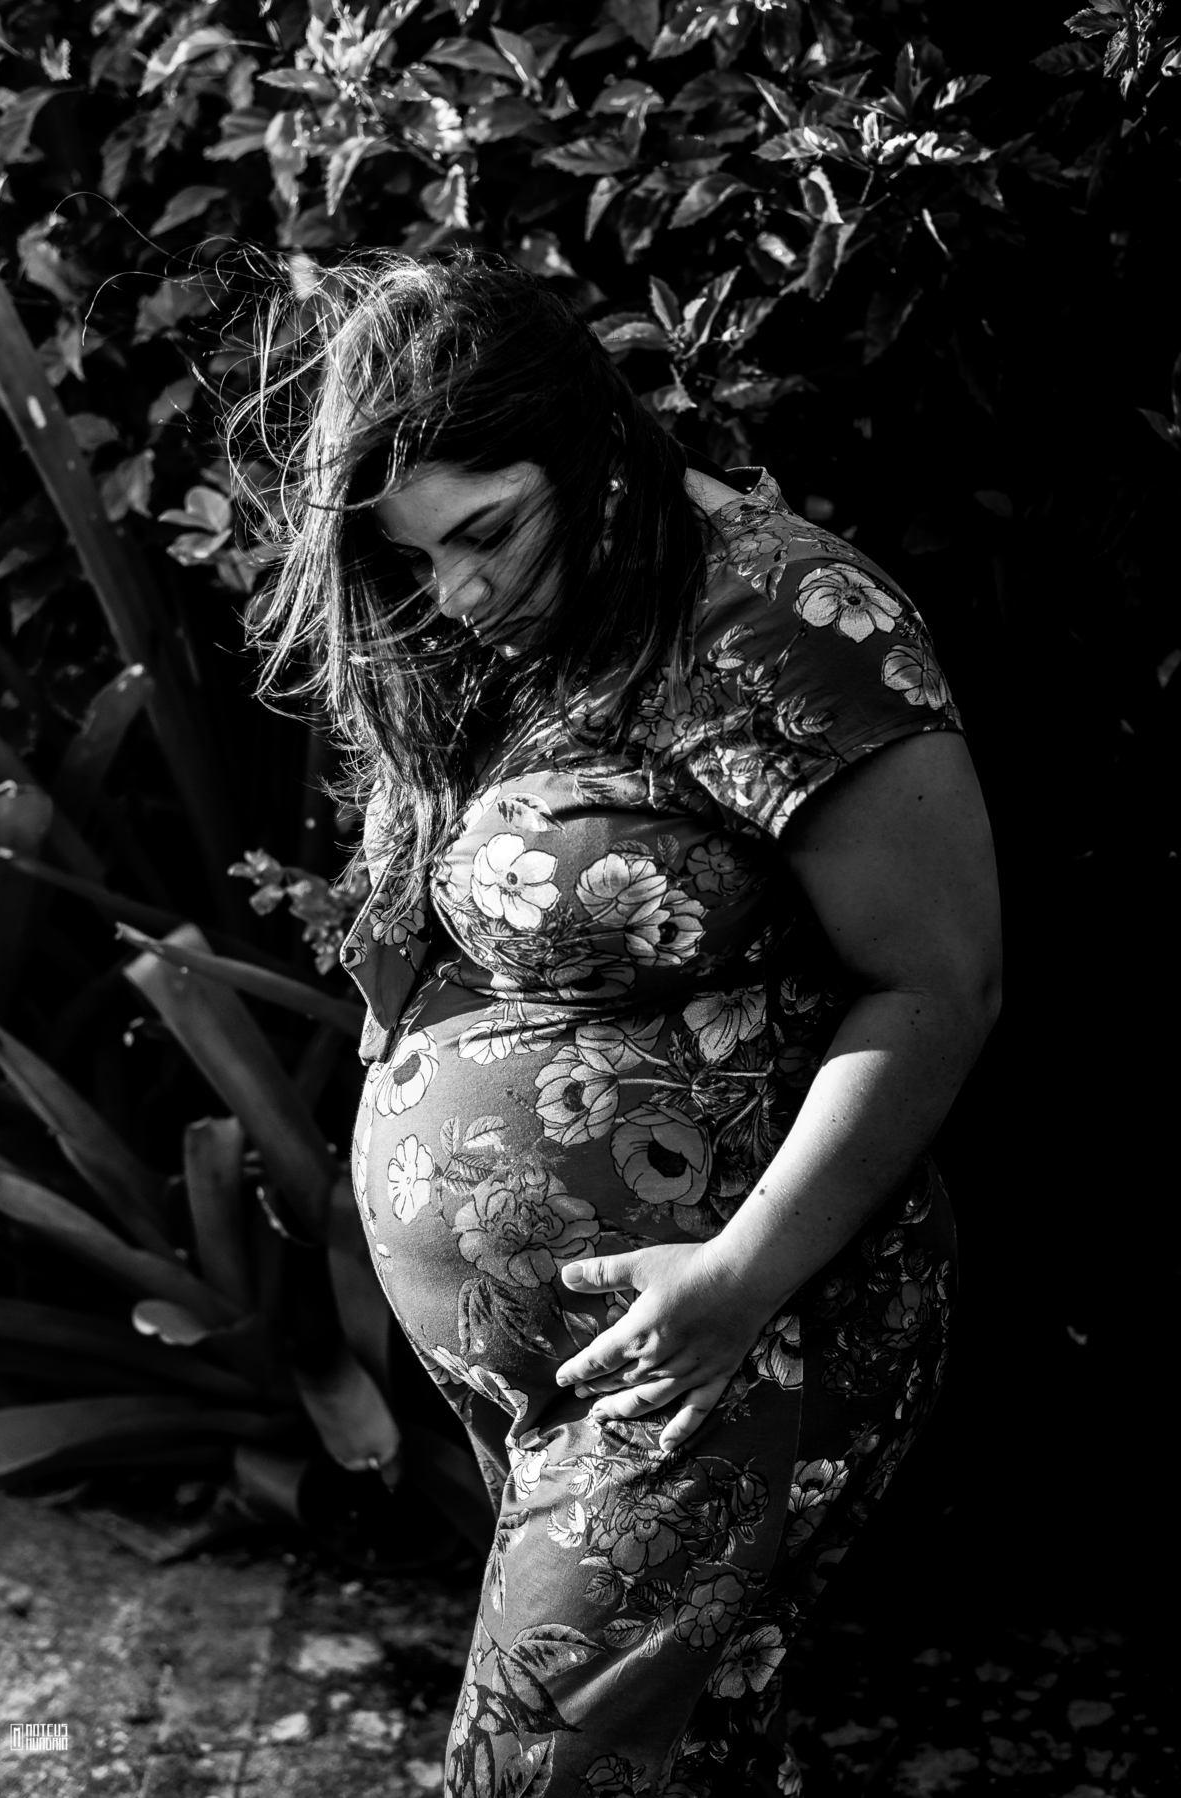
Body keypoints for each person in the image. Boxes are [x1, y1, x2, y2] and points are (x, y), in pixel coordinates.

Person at [242, 249, 1001, 1797]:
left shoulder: (785, 619)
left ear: (595, 443)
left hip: (727, 1339)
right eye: (415, 555)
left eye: (487, 530)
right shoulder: (520, 626)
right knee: (688, 1760)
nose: (457, 591)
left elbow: (941, 980)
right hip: (586, 1364)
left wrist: (742, 1275)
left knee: (539, 1776)